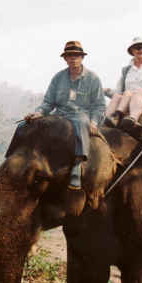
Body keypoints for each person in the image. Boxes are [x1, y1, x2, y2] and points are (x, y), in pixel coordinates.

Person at [25, 41, 106, 190]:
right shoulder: (58, 78)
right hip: (60, 114)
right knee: (25, 125)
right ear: (65, 58)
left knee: (81, 123)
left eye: (76, 55)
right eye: (69, 56)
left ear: (82, 57)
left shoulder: (93, 79)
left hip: (80, 114)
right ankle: (13, 162)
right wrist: (39, 113)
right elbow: (48, 102)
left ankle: (78, 163)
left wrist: (94, 123)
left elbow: (99, 106)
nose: (73, 58)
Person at [104, 37, 142, 129]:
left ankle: (118, 115)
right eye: (138, 48)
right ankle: (106, 122)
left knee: (128, 93)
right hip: (125, 100)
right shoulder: (126, 71)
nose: (141, 50)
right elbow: (118, 91)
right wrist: (106, 91)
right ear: (132, 51)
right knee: (117, 96)